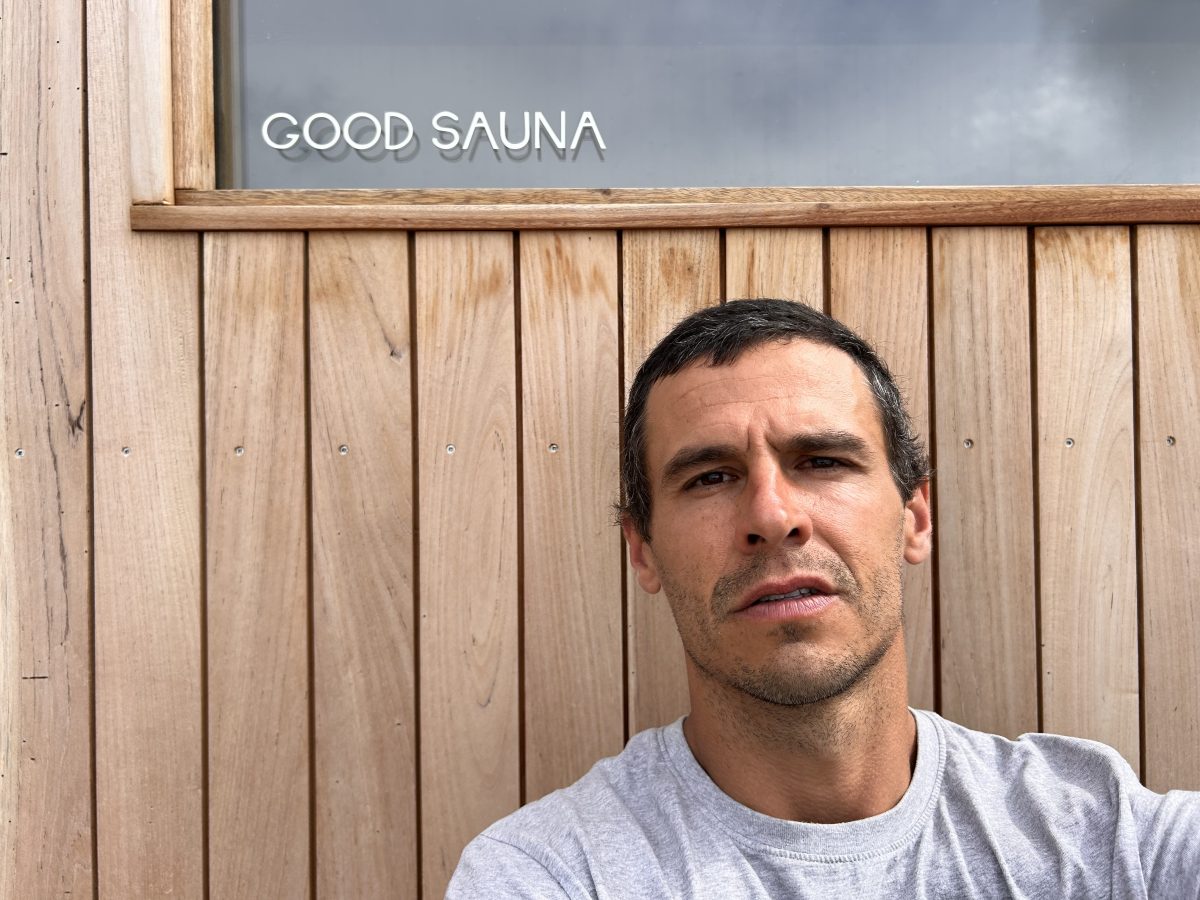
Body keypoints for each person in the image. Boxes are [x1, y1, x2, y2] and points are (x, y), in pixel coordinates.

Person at [447, 299, 1200, 898]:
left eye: (822, 460)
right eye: (710, 477)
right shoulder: (550, 875)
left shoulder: (1103, 839)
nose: (774, 516)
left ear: (915, 516)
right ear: (641, 548)